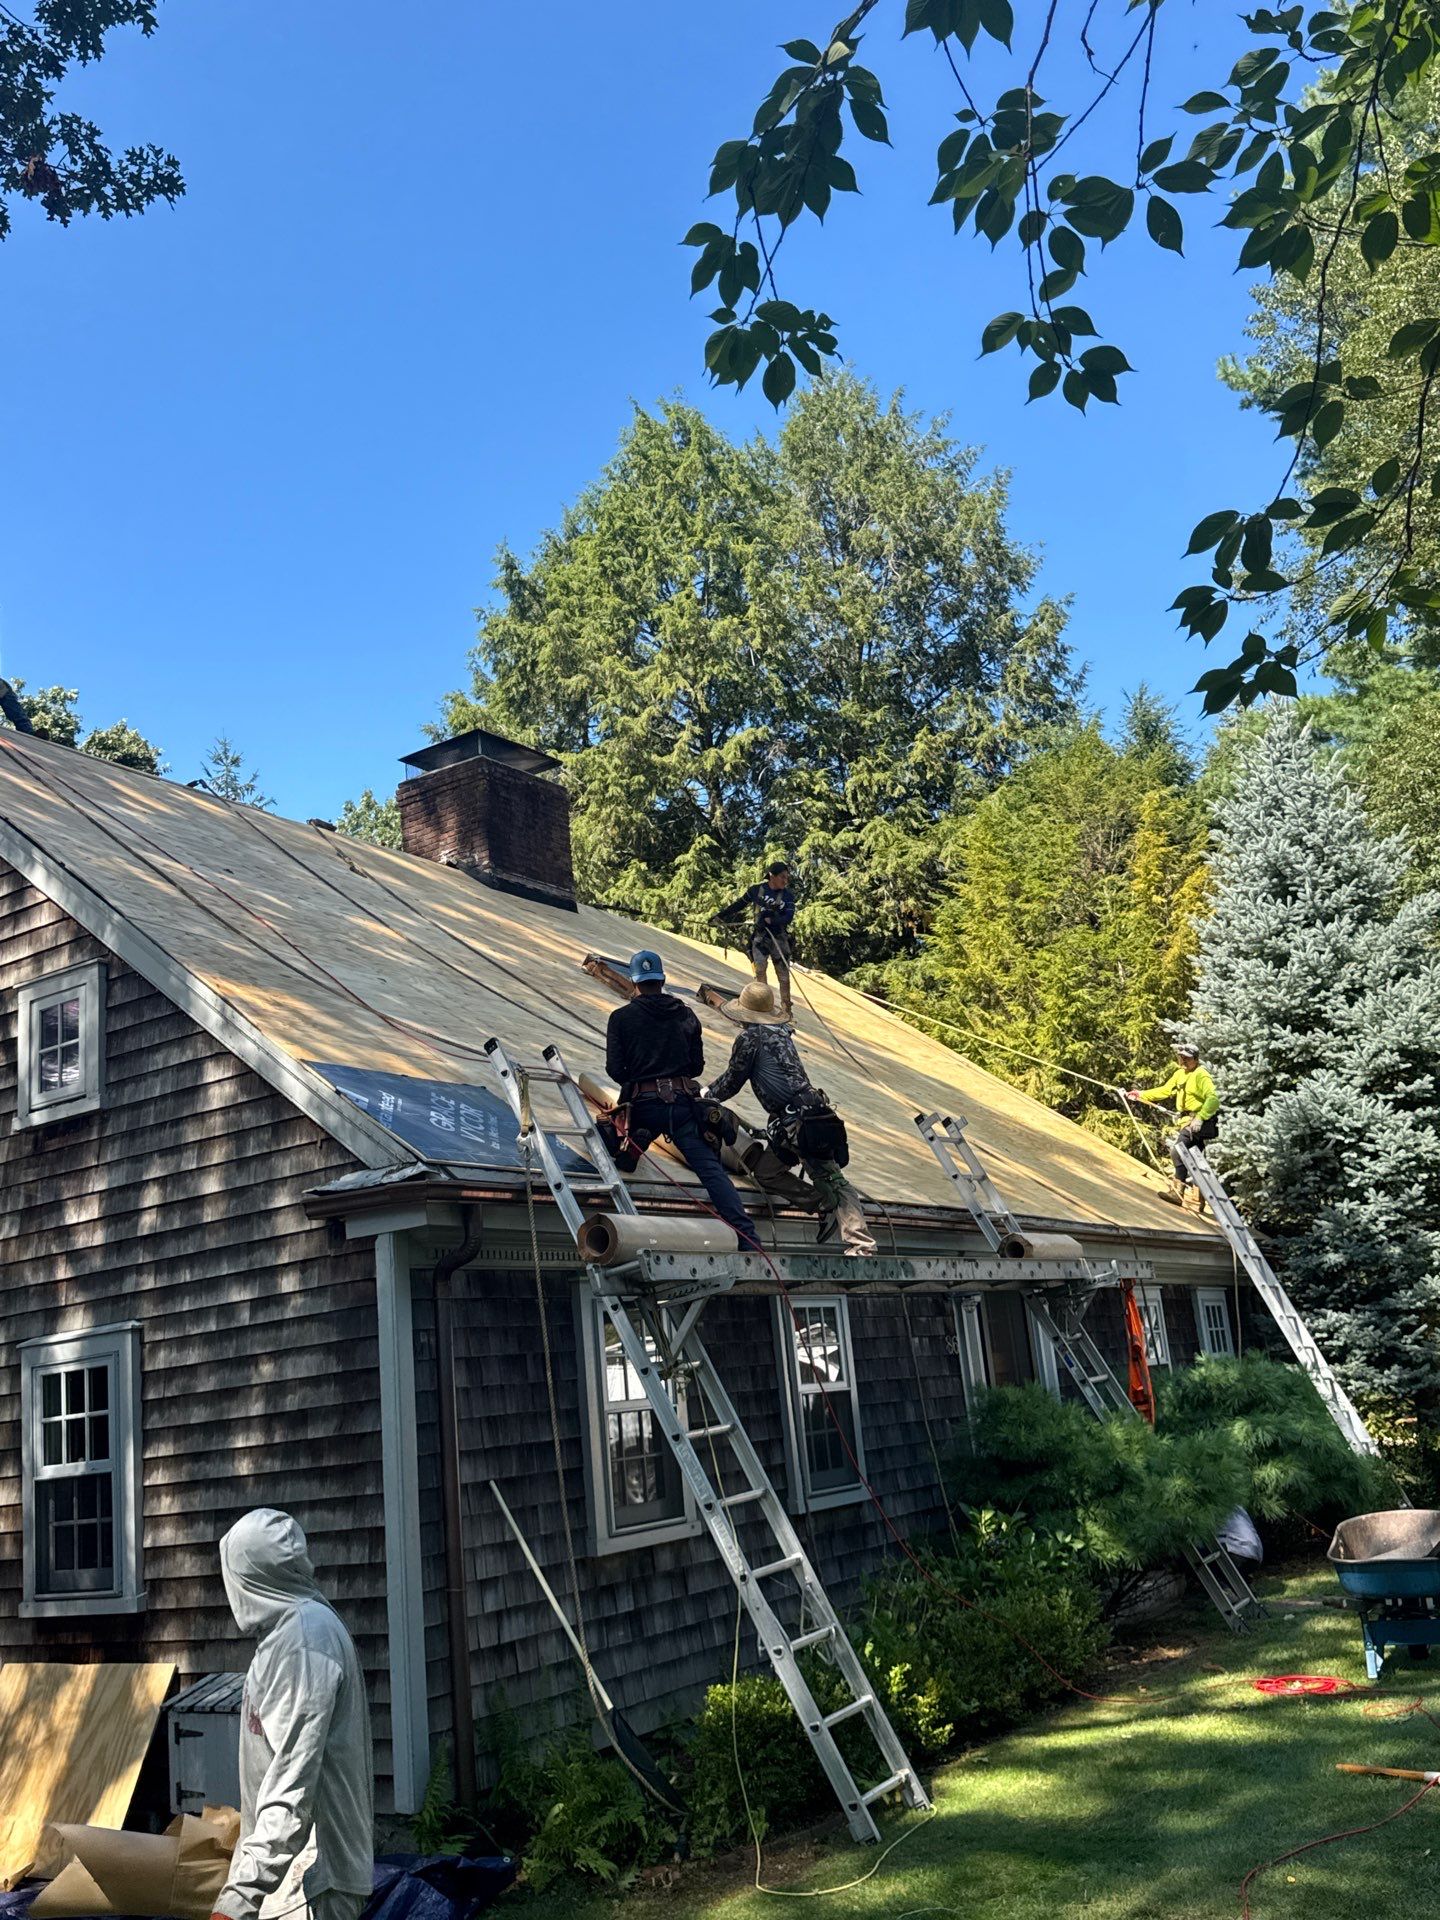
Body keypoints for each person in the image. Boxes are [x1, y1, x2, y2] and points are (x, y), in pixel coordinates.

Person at [211, 1508, 373, 1920]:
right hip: (288, 1879)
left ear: (251, 1576)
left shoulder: (305, 1641)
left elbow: (292, 1785)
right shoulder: (289, 1633)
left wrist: (238, 1899)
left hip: (310, 1886)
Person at [703, 981, 877, 1257]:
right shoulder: (781, 1035)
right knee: (766, 1172)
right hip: (798, 1120)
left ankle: (862, 1244)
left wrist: (706, 1096)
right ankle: (822, 1204)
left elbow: (733, 1080)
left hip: (801, 1122)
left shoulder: (752, 1039)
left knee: (832, 1178)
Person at [605, 949, 760, 1250]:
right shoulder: (686, 1015)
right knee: (711, 1171)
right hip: (683, 1105)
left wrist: (640, 1079)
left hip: (644, 1104)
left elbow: (614, 1069)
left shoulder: (621, 1018)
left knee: (627, 1123)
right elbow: (696, 1066)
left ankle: (639, 1138)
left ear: (635, 983)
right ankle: (748, 1239)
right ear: (662, 980)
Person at [1127, 1042, 1220, 1206]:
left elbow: (1213, 1099)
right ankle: (1200, 1198)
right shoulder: (1180, 1074)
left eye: (1187, 1058)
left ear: (1196, 1059)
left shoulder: (1201, 1075)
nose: (1183, 1061)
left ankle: (1177, 1193)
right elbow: (1164, 1090)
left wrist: (1200, 1117)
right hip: (1187, 1120)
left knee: (1178, 1151)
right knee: (1195, 1157)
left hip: (1199, 1122)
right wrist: (1141, 1094)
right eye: (1181, 1058)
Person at [718, 862, 796, 1018]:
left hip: (779, 938)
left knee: (783, 976)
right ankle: (763, 1006)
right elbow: (739, 904)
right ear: (772, 876)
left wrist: (772, 921)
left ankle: (786, 1010)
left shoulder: (788, 896)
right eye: (782, 877)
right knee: (760, 971)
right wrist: (721, 915)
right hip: (760, 938)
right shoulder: (756, 890)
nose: (785, 881)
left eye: (787, 878)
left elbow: (788, 917)